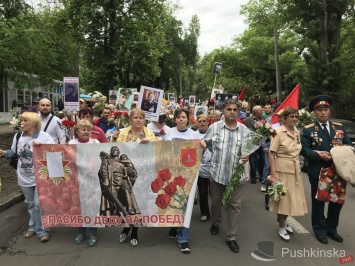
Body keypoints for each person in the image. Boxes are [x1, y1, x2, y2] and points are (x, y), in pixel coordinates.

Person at [200, 99, 250, 253]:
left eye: (235, 109)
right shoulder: (214, 128)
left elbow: (249, 150)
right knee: (215, 203)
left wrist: (248, 155)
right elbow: (205, 142)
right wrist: (203, 144)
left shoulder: (244, 130)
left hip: (237, 176)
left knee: (235, 206)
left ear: (238, 111)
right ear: (223, 111)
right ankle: (216, 222)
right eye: (229, 109)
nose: (232, 112)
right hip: (217, 175)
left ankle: (231, 237)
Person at [301, 95, 351, 244]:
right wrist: (318, 155)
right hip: (319, 170)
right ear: (314, 113)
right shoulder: (309, 129)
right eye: (319, 110)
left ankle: (331, 229)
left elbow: (348, 145)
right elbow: (304, 149)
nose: (323, 112)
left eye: (326, 109)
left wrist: (344, 153)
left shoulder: (339, 128)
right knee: (319, 201)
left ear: (329, 112)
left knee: (337, 202)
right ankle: (320, 230)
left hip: (338, 171)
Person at [0, 112, 55, 242]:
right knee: (31, 204)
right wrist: (4, 153)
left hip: (41, 176)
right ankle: (33, 227)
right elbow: (13, 153)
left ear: (34, 124)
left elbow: (54, 152)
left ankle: (43, 231)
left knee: (38, 204)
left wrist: (42, 147)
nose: (22, 123)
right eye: (22, 120)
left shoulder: (45, 136)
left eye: (25, 120)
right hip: (24, 176)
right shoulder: (18, 136)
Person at [110, 109, 156, 247]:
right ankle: (126, 227)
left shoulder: (150, 134)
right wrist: (113, 138)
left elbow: (155, 151)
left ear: (144, 120)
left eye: (140, 118)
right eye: (135, 117)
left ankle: (134, 231)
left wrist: (150, 143)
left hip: (142, 173)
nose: (138, 120)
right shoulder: (124, 133)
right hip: (125, 174)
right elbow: (115, 149)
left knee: (138, 202)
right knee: (126, 201)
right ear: (131, 119)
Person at [268, 107, 308, 242]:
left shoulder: (297, 132)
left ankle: (284, 222)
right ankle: (281, 227)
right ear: (284, 119)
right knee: (284, 200)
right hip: (282, 170)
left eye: (296, 117)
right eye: (291, 116)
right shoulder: (277, 132)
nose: (295, 119)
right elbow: (272, 154)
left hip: (295, 170)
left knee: (292, 199)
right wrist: (273, 174)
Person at [165, 108, 199, 253]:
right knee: (174, 202)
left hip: (189, 174)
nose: (181, 119)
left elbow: (198, 152)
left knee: (187, 205)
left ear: (187, 119)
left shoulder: (194, 134)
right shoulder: (170, 132)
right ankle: (174, 226)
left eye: (183, 117)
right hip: (173, 173)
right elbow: (165, 150)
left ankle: (183, 239)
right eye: (178, 117)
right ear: (175, 119)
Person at [69, 120, 100, 246]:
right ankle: (81, 232)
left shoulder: (95, 142)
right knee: (79, 207)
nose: (86, 131)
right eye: (83, 129)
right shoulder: (71, 144)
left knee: (91, 206)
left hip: (92, 180)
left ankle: (92, 233)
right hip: (76, 181)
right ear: (77, 131)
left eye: (88, 129)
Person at [195, 114, 211, 221]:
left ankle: (216, 211)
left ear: (208, 122)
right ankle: (204, 212)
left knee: (214, 193)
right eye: (200, 121)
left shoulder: (213, 134)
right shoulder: (193, 135)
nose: (202, 123)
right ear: (196, 123)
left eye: (204, 121)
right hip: (199, 167)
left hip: (213, 166)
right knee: (203, 191)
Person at [245, 105, 264, 184]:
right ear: (255, 111)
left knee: (262, 160)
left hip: (261, 142)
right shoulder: (248, 120)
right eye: (260, 111)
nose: (262, 112)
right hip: (252, 142)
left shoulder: (263, 119)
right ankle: (253, 177)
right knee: (253, 160)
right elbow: (247, 130)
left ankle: (260, 175)